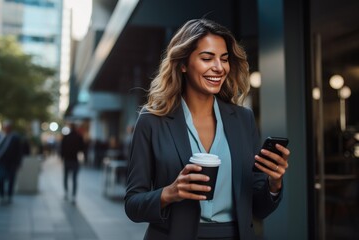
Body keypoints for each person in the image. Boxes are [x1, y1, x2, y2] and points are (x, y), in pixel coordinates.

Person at [124, 18, 290, 240]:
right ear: (183, 64)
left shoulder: (243, 119)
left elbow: (259, 208)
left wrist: (274, 182)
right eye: (207, 58)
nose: (219, 68)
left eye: (224, 59)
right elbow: (133, 205)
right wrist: (169, 193)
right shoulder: (152, 120)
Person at [60, 123, 85, 204]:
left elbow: (62, 149)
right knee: (74, 179)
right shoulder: (79, 137)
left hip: (67, 160)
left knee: (66, 177)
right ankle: (73, 196)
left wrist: (62, 158)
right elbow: (82, 149)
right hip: (75, 160)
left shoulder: (66, 137)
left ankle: (66, 192)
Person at [0, 120, 23, 204]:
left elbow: (19, 151)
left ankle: (9, 195)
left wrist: (19, 163)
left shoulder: (15, 137)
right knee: (1, 178)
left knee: (11, 179)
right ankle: (2, 195)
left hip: (12, 163)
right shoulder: (1, 136)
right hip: (2, 162)